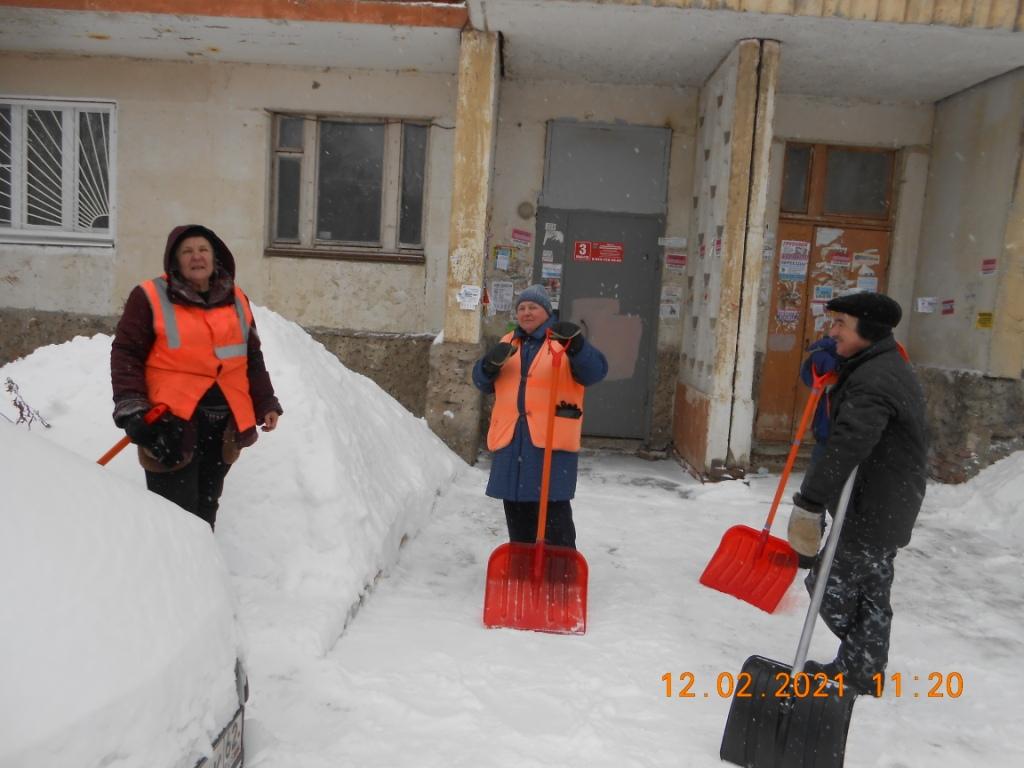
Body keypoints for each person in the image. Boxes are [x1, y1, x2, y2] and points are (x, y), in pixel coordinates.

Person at [786, 292, 927, 696]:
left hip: (876, 503)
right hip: (885, 498)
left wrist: (810, 503)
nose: (832, 333)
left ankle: (862, 662)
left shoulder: (876, 379)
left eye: (840, 326)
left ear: (868, 331)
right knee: (868, 590)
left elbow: (849, 443)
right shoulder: (875, 363)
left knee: (828, 586)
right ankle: (861, 669)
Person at [110, 224, 283, 529]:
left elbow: (251, 355)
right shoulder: (150, 296)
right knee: (175, 514)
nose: (196, 257)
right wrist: (133, 409)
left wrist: (266, 400)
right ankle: (171, 573)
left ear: (215, 256)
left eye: (203, 249)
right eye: (187, 251)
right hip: (172, 425)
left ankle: (200, 571)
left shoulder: (236, 298)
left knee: (206, 505)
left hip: (224, 423)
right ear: (175, 260)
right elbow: (126, 354)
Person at [472, 285, 608, 549]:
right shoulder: (508, 342)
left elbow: (595, 372)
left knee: (554, 516)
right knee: (516, 513)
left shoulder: (564, 343)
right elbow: (482, 383)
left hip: (549, 442)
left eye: (533, 307)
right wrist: (487, 366)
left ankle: (560, 575)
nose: (526, 312)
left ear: (547, 312)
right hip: (511, 440)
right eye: (521, 308)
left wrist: (578, 346)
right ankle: (523, 573)